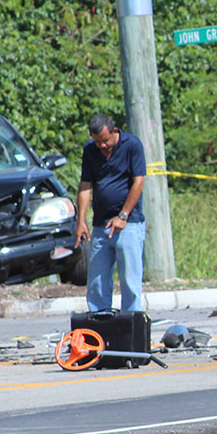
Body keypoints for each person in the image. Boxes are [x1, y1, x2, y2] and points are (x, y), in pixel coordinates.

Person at [76, 112, 146, 312]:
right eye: (97, 141)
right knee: (97, 283)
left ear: (114, 131)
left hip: (129, 224)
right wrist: (81, 221)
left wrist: (123, 216)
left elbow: (138, 182)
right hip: (101, 226)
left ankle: (131, 329)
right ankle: (99, 328)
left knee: (130, 283)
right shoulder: (90, 151)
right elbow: (86, 185)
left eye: (105, 140)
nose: (102, 146)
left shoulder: (132, 145)